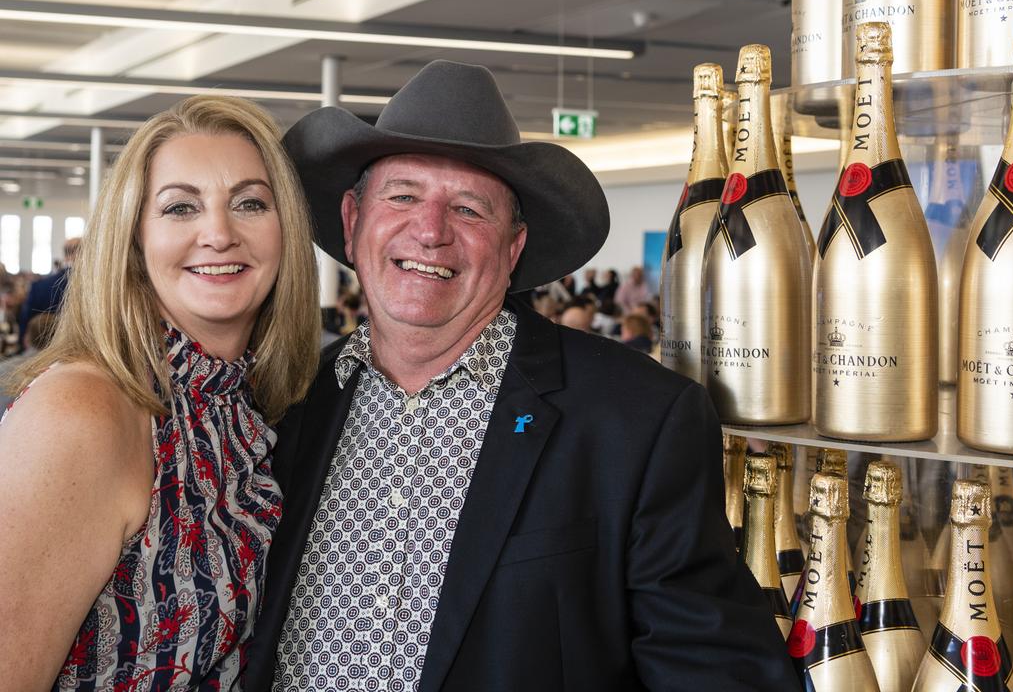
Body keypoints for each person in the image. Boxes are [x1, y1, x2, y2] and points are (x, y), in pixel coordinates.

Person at [247, 61, 798, 691]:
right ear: (352, 223)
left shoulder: (636, 422)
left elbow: (716, 674)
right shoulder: (284, 403)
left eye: (469, 209)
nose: (429, 231)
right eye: (402, 195)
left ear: (512, 248)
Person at [0, 96, 321, 690]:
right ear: (133, 241)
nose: (219, 233)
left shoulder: (241, 405)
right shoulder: (83, 410)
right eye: (180, 208)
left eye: (250, 202)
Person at [18, 237, 79, 349]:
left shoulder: (40, 286)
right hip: (77, 353)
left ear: (65, 254)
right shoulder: (92, 287)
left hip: (40, 350)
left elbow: (26, 322)